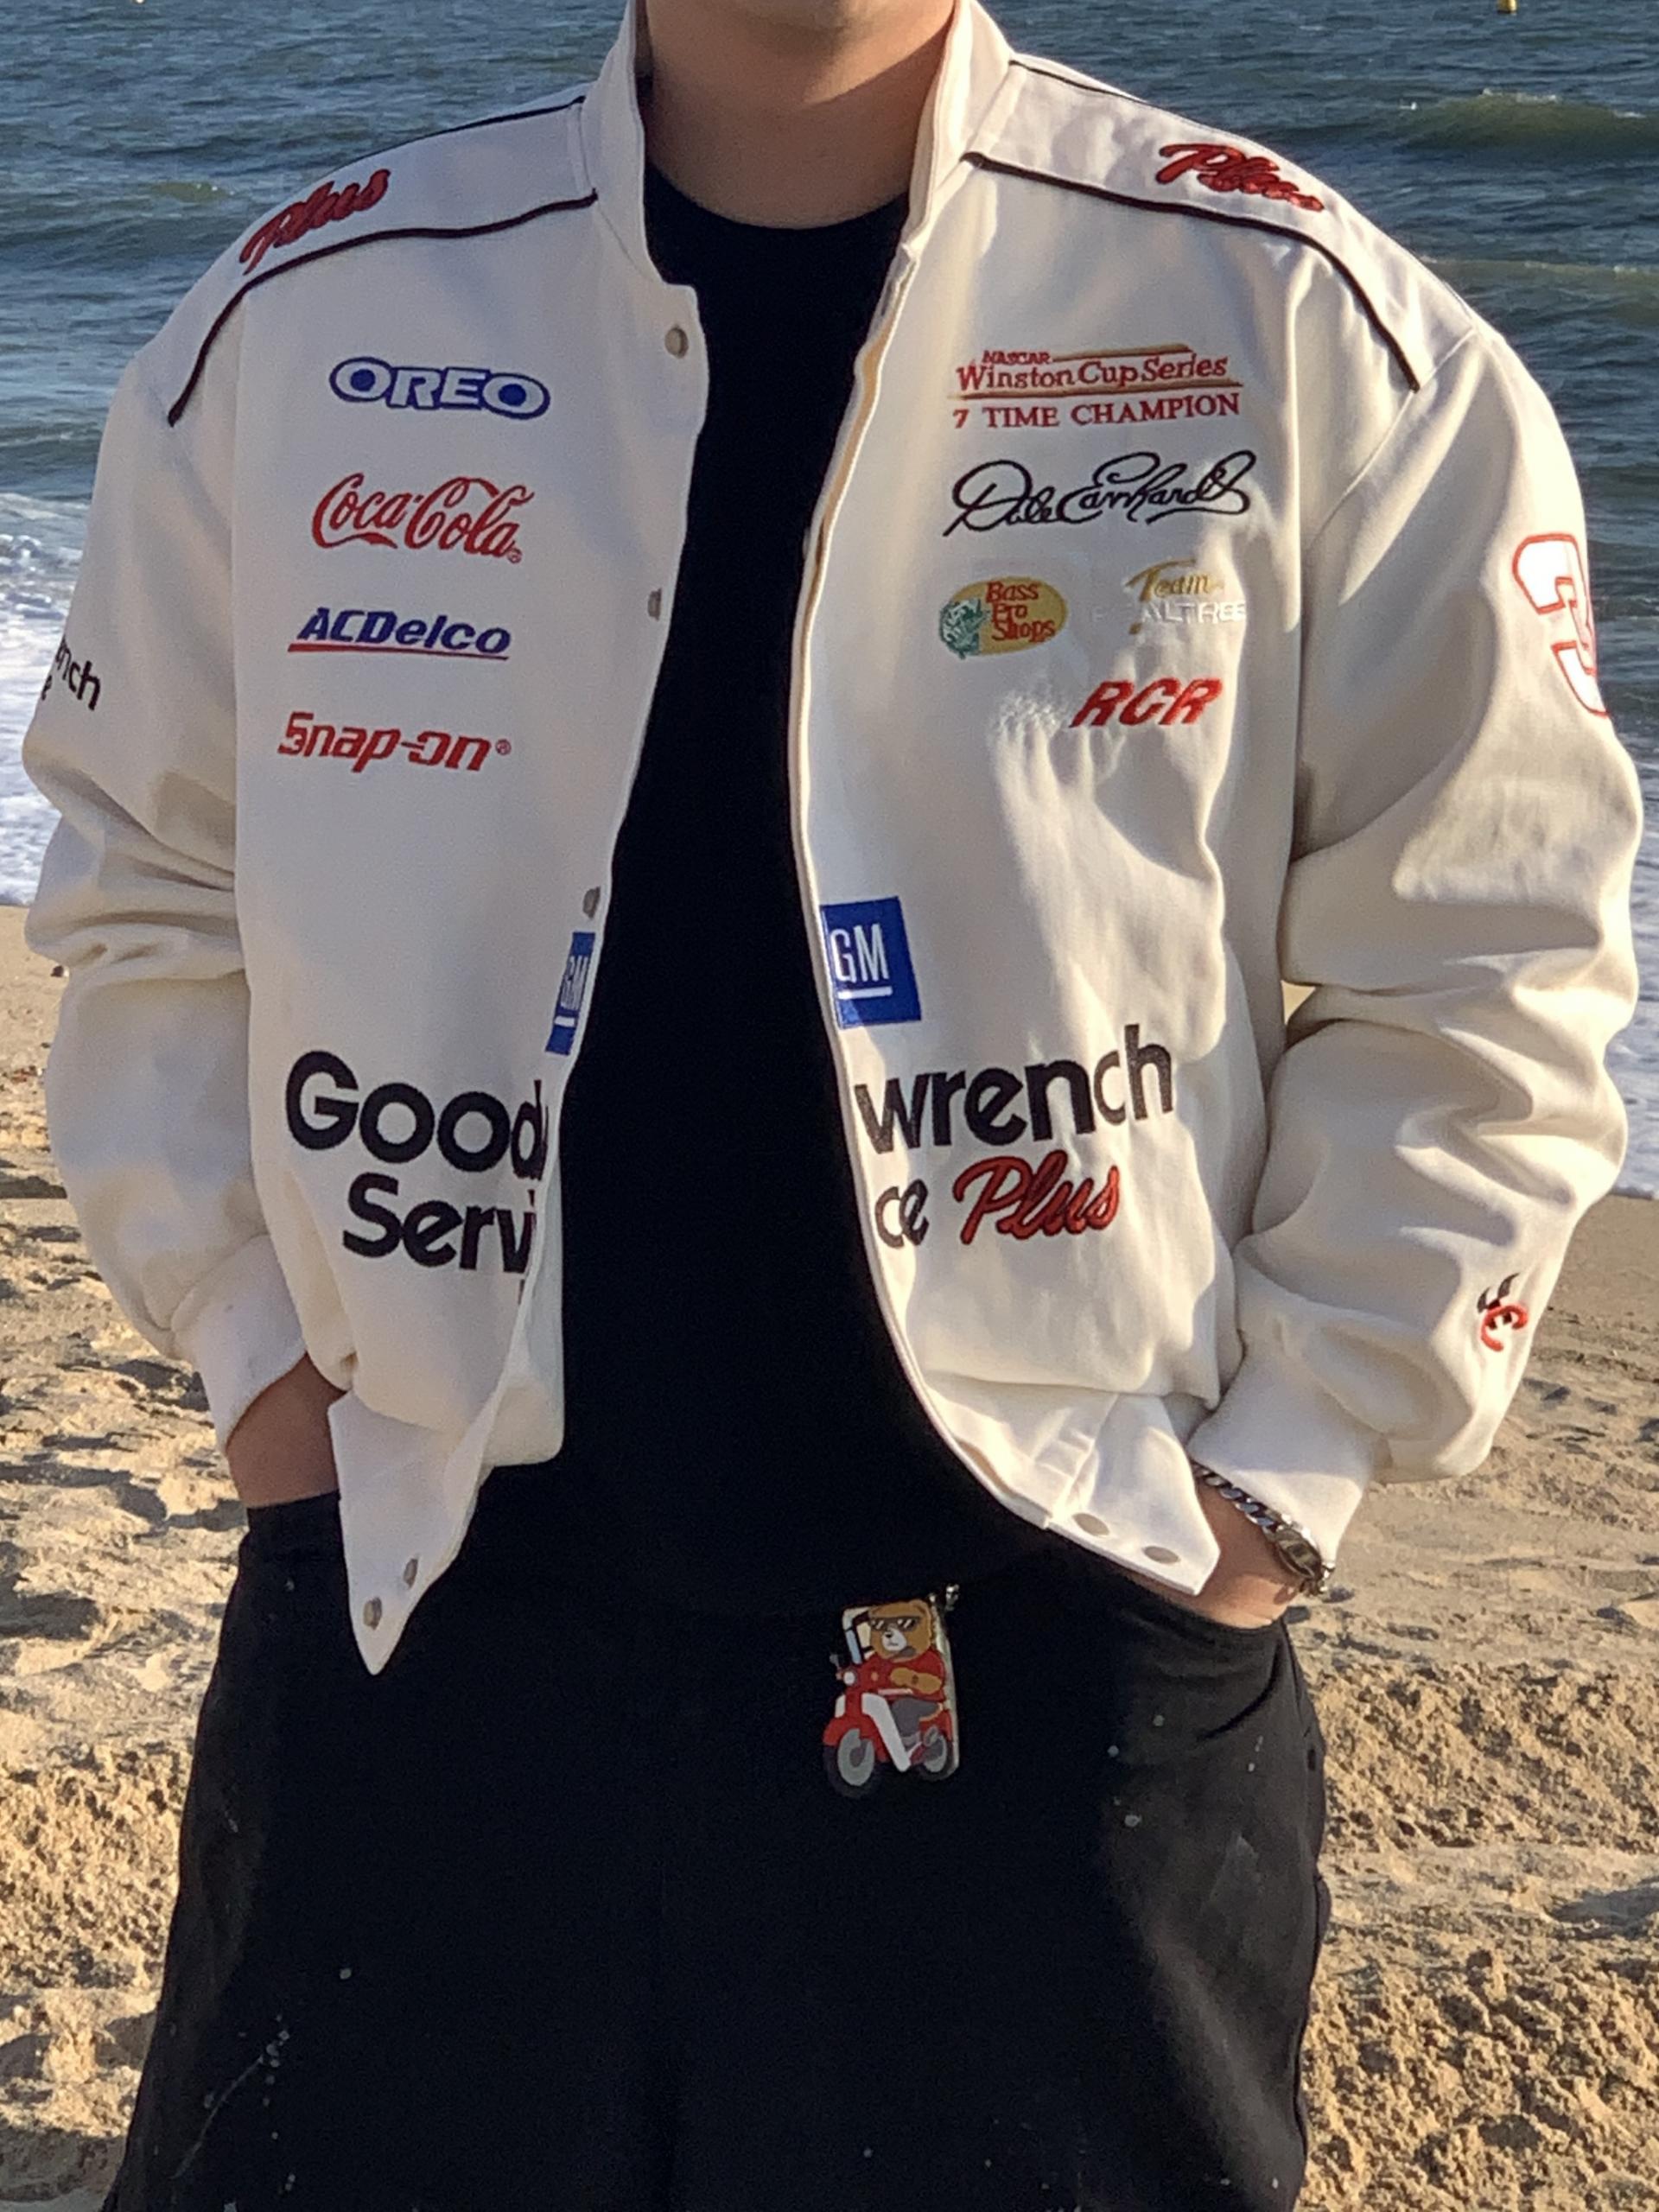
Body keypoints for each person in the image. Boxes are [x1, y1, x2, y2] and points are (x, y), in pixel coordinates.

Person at [22, 0, 1642, 2201]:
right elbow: (144, 883)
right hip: (417, 1615)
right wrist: (258, 1368)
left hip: (1068, 1659)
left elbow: (1488, 957)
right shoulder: (313, 317)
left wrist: (1274, 1486)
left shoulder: (1305, 323)